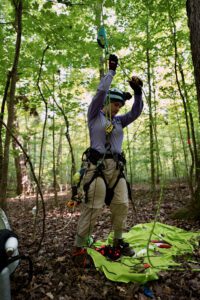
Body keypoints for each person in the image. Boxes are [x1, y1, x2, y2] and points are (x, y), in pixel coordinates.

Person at [73, 54, 144, 263]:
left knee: (122, 203)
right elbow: (100, 92)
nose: (119, 108)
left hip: (117, 169)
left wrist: (138, 93)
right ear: (107, 103)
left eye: (121, 106)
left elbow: (137, 111)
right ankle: (79, 247)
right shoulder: (94, 115)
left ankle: (118, 241)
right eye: (116, 104)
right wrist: (111, 70)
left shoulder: (120, 121)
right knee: (93, 208)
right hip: (96, 169)